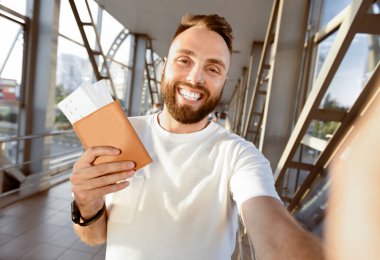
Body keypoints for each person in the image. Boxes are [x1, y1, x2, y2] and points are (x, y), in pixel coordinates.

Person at [70, 14, 324, 260]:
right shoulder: (121, 135)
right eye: (184, 60)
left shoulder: (239, 155)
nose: (195, 78)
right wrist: (86, 202)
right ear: (164, 66)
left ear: (224, 81)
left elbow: (272, 230)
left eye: (212, 68)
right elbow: (95, 236)